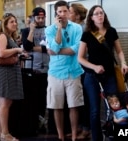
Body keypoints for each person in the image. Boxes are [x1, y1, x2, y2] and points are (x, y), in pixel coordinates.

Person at [78, 5, 128, 141]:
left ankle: (115, 135)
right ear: (91, 17)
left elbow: (119, 51)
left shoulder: (112, 31)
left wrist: (123, 62)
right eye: (96, 14)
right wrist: (94, 67)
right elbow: (80, 58)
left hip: (110, 75)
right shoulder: (87, 34)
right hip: (92, 76)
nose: (100, 15)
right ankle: (97, 138)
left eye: (101, 13)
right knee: (95, 111)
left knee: (115, 108)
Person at [45, 1, 84, 141]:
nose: (62, 14)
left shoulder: (77, 28)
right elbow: (53, 49)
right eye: (59, 12)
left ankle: (74, 135)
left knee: (74, 105)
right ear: (56, 14)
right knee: (57, 106)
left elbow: (76, 49)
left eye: (65, 11)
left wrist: (57, 51)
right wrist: (59, 29)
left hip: (73, 71)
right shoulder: (50, 29)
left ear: (68, 11)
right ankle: (60, 135)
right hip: (55, 72)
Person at [0, 13, 26, 141]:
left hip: (8, 71)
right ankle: (5, 133)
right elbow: (1, 53)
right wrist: (17, 50)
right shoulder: (3, 36)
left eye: (15, 21)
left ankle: (1, 132)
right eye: (12, 22)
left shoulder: (10, 37)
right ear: (5, 24)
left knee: (4, 102)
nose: (15, 24)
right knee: (5, 102)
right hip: (5, 72)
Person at [21, 7, 49, 132]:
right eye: (38, 18)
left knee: (43, 97)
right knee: (32, 97)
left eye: (43, 18)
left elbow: (50, 48)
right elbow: (27, 47)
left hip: (47, 69)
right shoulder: (26, 31)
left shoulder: (49, 30)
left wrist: (36, 47)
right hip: (31, 68)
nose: (41, 20)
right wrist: (32, 31)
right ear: (33, 18)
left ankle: (42, 121)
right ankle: (32, 122)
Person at [68, 3, 90, 140]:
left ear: (76, 15)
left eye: (70, 12)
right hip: (76, 68)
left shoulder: (82, 29)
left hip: (83, 68)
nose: (68, 14)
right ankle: (80, 128)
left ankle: (86, 129)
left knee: (84, 100)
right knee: (78, 99)